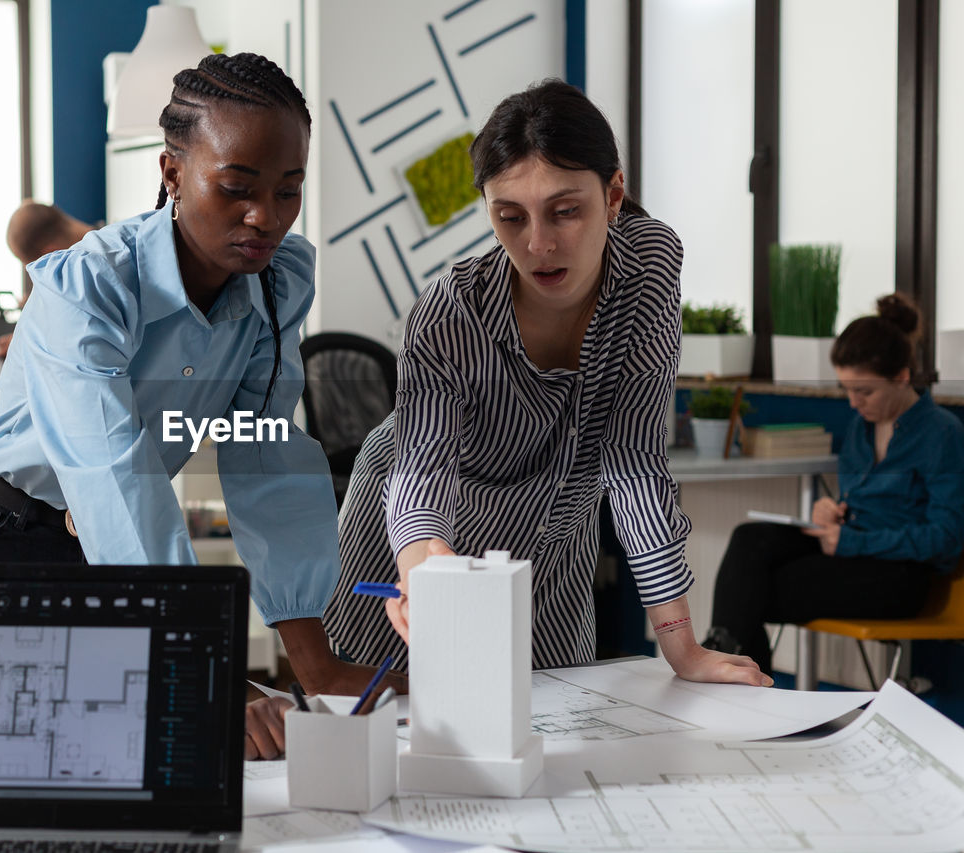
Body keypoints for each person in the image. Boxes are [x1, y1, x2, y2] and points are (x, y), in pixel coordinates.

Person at [0, 52, 395, 700]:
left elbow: (268, 461)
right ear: (173, 173)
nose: (265, 216)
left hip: (110, 549)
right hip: (1, 537)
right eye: (237, 188)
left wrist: (317, 666)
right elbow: (115, 476)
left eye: (288, 188)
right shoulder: (89, 286)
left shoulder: (277, 284)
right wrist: (208, 666)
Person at [323, 79, 770, 688]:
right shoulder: (450, 312)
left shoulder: (650, 265)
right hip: (426, 538)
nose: (538, 244)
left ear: (614, 195)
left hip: (554, 543)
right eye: (510, 217)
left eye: (566, 211)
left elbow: (633, 459)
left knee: (558, 721)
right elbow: (422, 470)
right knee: (395, 722)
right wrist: (426, 567)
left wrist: (683, 647)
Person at [703, 294, 964, 674]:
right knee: (750, 538)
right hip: (851, 550)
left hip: (901, 576)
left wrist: (855, 540)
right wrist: (833, 511)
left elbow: (946, 539)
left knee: (757, 590)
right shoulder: (862, 427)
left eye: (865, 391)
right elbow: (857, 501)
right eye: (847, 390)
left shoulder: (942, 434)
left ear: (903, 376)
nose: (853, 403)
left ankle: (731, 668)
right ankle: (733, 663)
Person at [0, 202, 96, 356]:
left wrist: (28, 340)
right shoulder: (116, 237)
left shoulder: (94, 278)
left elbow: (77, 337)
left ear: (51, 253)